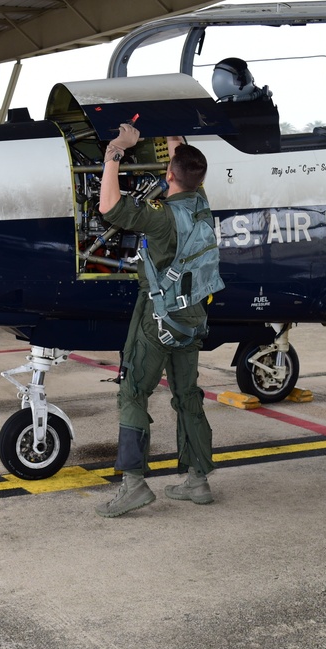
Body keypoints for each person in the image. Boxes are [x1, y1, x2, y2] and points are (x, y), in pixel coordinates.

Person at [94, 125, 218, 518]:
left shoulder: (161, 217)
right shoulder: (201, 204)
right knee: (187, 396)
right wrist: (172, 134)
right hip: (193, 316)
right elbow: (183, 158)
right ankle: (198, 480)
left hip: (159, 318)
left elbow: (109, 207)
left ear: (169, 175)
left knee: (131, 393)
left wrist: (116, 149)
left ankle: (133, 485)